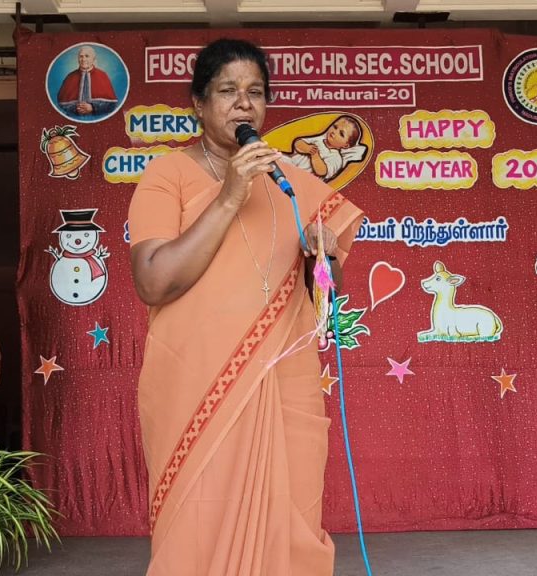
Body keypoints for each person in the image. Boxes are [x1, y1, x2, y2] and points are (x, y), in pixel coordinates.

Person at [128, 38, 363, 576]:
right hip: (197, 389)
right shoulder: (168, 175)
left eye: (255, 92)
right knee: (200, 525)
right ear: (198, 103)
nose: (243, 104)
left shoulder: (293, 183)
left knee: (291, 518)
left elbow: (325, 290)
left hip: (284, 386)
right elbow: (153, 281)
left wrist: (324, 257)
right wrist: (232, 193)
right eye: (227, 91)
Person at [283, 114, 367, 182]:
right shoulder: (318, 139)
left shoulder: (336, 158)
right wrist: (306, 148)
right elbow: (298, 143)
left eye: (341, 134)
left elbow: (322, 171)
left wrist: (315, 156)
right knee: (279, 158)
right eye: (335, 127)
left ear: (345, 145)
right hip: (291, 164)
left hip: (304, 179)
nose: (334, 132)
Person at [56, 44, 118, 119]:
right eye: (81, 56)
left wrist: (93, 108)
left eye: (87, 56)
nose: (83, 59)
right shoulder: (70, 77)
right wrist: (76, 109)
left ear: (93, 59)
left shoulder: (102, 75)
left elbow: (112, 105)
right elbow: (61, 103)